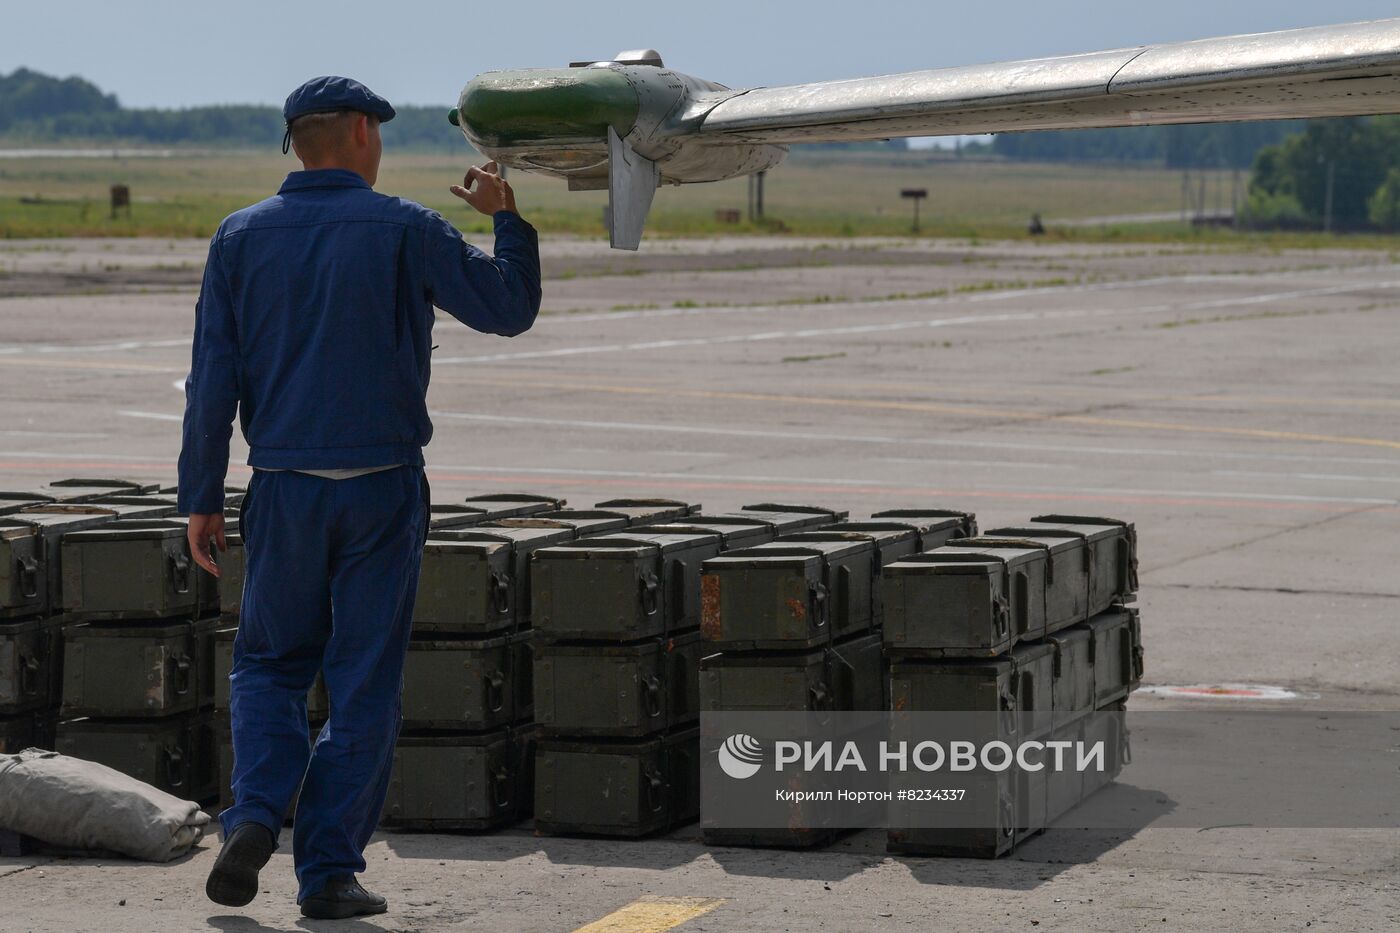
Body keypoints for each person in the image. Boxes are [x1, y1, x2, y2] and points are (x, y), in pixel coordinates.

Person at [177, 75, 541, 920]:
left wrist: (201, 494)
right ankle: (328, 873)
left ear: (297, 144)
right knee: (364, 681)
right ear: (363, 136)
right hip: (382, 490)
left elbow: (211, 380)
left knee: (269, 665)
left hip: (284, 490)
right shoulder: (407, 227)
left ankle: (255, 813)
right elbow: (507, 308)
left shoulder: (239, 236)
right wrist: (506, 219)